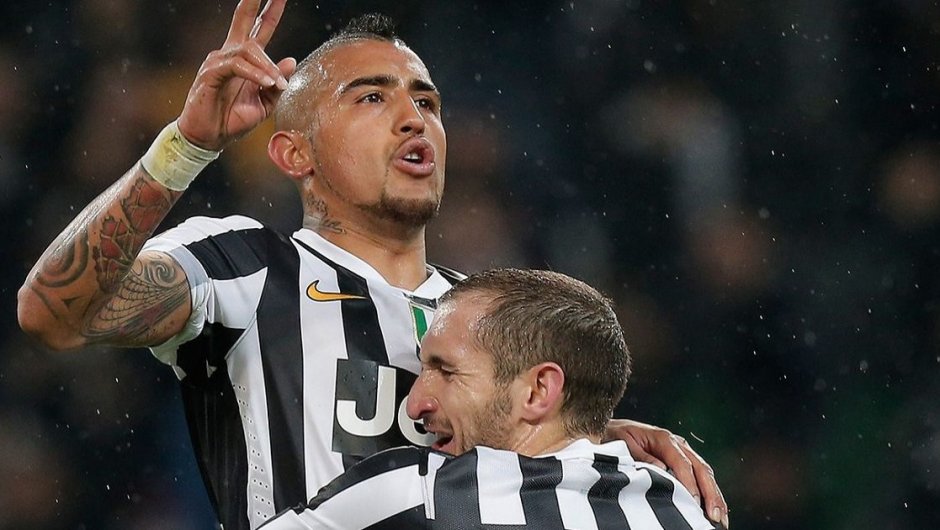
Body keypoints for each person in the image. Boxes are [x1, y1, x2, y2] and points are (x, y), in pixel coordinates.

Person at [16, 1, 727, 529]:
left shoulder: (484, 314)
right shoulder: (248, 265)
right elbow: (53, 312)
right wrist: (184, 148)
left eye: (427, 101)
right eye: (373, 98)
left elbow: (523, 457)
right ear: (295, 153)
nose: (414, 117)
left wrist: (597, 439)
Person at [261, 268, 717, 529]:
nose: (414, 404)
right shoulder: (680, 512)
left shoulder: (422, 493)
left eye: (445, 371)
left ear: (539, 391)